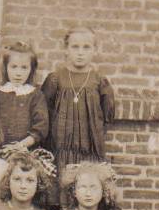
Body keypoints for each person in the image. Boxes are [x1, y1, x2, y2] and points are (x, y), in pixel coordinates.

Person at [41, 27, 116, 178]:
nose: (80, 52)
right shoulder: (55, 79)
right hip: (59, 149)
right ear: (66, 49)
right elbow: (44, 113)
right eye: (75, 47)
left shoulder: (100, 82)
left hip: (89, 150)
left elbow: (106, 117)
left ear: (94, 50)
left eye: (86, 47)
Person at [0, 41, 48, 155]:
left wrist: (21, 145)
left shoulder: (36, 95)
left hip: (26, 151)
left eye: (24, 68)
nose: (18, 73)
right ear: (6, 67)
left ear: (32, 70)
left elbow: (41, 127)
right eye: (14, 67)